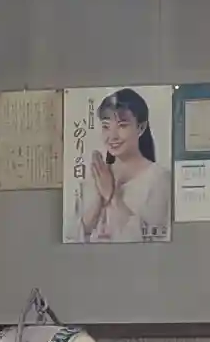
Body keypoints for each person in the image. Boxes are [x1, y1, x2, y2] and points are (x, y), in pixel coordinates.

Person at [72, 87, 171, 242]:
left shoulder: (159, 179)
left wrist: (112, 197)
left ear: (141, 127)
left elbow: (153, 241)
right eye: (106, 127)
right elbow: (72, 237)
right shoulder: (96, 176)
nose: (113, 136)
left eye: (122, 126)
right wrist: (99, 199)